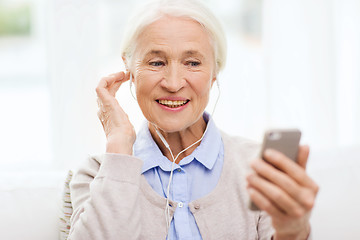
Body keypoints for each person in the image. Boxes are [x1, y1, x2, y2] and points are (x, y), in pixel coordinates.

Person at [68, 0, 319, 239]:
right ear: (130, 69)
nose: (174, 83)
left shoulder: (258, 169)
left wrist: (292, 231)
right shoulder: (96, 176)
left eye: (192, 62)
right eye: (156, 62)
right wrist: (119, 144)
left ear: (214, 72)